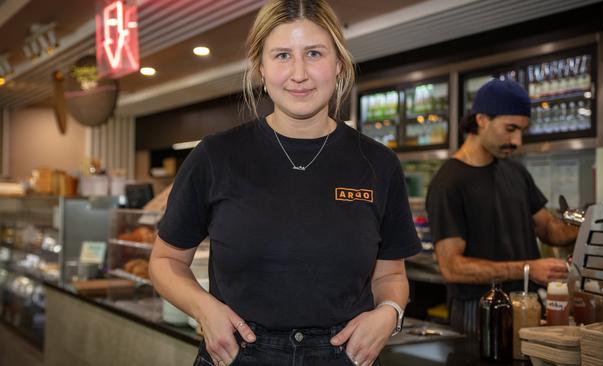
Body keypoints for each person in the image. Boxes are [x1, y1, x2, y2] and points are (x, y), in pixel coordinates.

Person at [149, 1, 421, 366]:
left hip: (344, 356)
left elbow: (391, 275)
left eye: (314, 53)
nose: (299, 73)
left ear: (338, 64)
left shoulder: (378, 163)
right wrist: (204, 310)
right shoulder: (216, 155)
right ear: (261, 68)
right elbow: (165, 260)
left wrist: (389, 314)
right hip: (239, 353)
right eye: (281, 55)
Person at [425, 78, 579, 335]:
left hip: (527, 303)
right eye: (510, 128)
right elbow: (452, 267)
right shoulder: (448, 183)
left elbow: (551, 229)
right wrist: (529, 268)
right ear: (482, 119)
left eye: (522, 130)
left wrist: (595, 222)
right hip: (479, 311)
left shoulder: (515, 171)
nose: (517, 140)